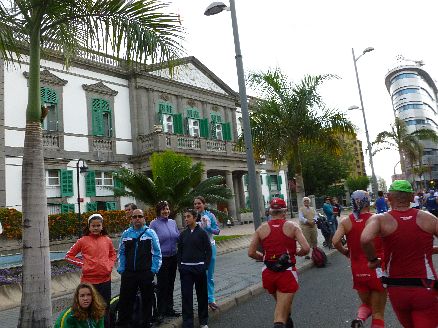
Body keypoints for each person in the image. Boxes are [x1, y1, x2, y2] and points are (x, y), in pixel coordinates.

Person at [361, 180, 438, 328]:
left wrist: (372, 260)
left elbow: (365, 239)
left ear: (389, 197)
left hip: (397, 289)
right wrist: (429, 249)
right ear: (412, 197)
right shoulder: (429, 218)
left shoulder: (379, 219)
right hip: (426, 287)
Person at [248, 197, 310, 328]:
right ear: (285, 211)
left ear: (270, 212)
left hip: (268, 273)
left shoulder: (261, 229)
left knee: (284, 307)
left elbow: (251, 252)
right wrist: (297, 252)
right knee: (280, 315)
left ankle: (287, 323)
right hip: (286, 273)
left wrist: (264, 257)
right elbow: (306, 248)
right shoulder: (292, 226)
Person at [333, 190, 386, 328]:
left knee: (367, 304)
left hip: (358, 270)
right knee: (378, 312)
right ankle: (361, 319)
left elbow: (335, 241)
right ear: (367, 201)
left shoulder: (346, 221)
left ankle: (360, 319)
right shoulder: (377, 219)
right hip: (377, 267)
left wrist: (345, 252)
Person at [65, 213, 117, 328]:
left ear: (102, 226)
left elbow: (113, 254)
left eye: (98, 225)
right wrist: (84, 265)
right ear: (89, 227)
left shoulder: (107, 240)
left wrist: (109, 265)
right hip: (88, 282)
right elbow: (69, 256)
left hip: (105, 281)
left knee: (104, 308)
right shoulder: (82, 240)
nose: (96, 228)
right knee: (88, 308)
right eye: (93, 225)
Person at [116, 208, 162, 328]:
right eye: (134, 217)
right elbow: (121, 252)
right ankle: (124, 324)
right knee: (125, 300)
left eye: (139, 216)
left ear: (144, 218)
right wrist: (122, 268)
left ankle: (146, 323)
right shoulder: (126, 234)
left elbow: (157, 253)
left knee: (147, 300)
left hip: (145, 273)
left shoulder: (150, 233)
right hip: (129, 273)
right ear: (131, 219)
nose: (137, 219)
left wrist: (153, 270)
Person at [178, 208, 212, 328]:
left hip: (199, 269)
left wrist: (205, 266)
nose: (186, 219)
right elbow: (180, 252)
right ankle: (188, 323)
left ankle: (203, 321)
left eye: (188, 216)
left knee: (202, 295)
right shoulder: (182, 235)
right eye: (185, 217)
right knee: (186, 296)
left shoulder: (202, 233)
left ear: (195, 217)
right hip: (186, 270)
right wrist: (180, 266)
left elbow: (208, 251)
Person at [149, 201, 180, 320]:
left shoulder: (172, 222)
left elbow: (177, 236)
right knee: (162, 285)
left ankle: (169, 308)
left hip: (173, 258)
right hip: (161, 259)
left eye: (167, 209)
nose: (166, 211)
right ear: (158, 211)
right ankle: (160, 311)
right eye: (163, 209)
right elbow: (151, 241)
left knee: (171, 284)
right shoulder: (154, 224)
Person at [193, 196, 220, 311]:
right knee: (200, 275)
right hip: (197, 249)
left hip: (210, 247)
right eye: (195, 204)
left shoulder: (210, 215)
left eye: (199, 203)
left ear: (204, 204)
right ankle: (202, 299)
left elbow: (217, 231)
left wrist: (208, 228)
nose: (197, 205)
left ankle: (211, 299)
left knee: (209, 275)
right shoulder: (192, 217)